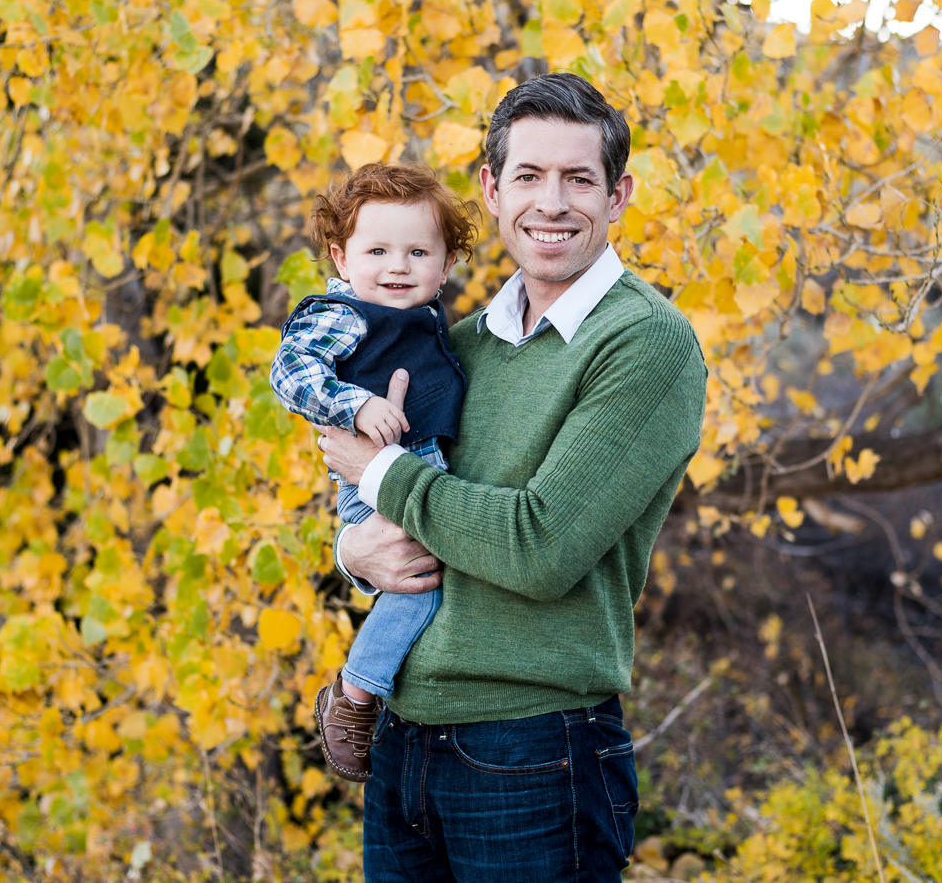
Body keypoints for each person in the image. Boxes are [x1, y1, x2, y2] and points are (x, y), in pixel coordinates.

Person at [317, 73, 708, 881]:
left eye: (579, 179)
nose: (552, 203)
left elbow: (540, 547)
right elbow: (380, 502)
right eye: (529, 177)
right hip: (404, 742)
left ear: (618, 194)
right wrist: (354, 555)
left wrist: (383, 473)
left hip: (534, 754)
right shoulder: (459, 343)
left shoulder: (646, 344)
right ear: (492, 190)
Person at [268, 161, 478, 782]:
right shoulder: (348, 313)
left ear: (445, 267)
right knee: (421, 586)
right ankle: (356, 695)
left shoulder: (437, 322)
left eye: (419, 252)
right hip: (373, 482)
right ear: (341, 257)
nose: (398, 266)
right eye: (378, 250)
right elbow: (291, 373)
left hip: (419, 472)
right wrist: (354, 403)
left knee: (434, 580)